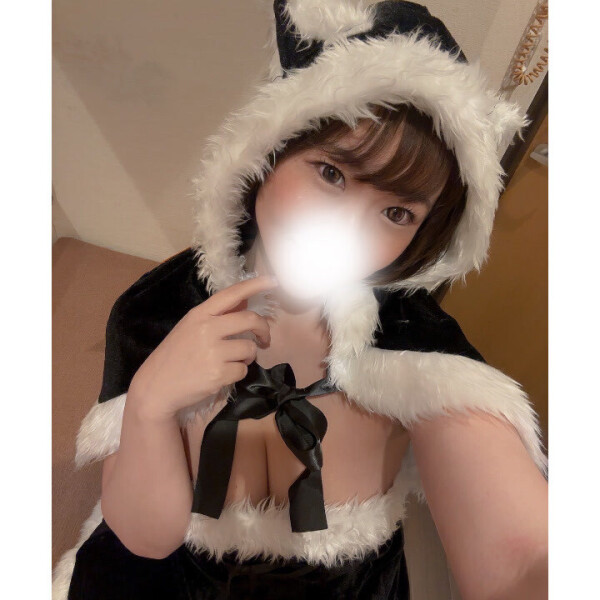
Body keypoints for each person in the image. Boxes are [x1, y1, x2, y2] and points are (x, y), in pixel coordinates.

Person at [53, 1, 548, 599]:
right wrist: (150, 406)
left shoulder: (418, 348)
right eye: (332, 174)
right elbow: (143, 537)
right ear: (268, 149)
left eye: (396, 212)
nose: (349, 231)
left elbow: (522, 558)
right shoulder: (155, 311)